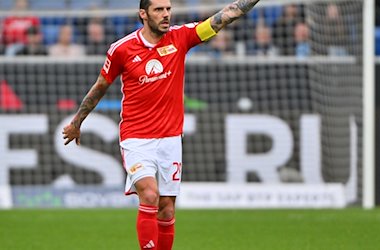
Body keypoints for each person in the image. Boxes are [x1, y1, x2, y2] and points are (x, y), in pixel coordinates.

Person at [62, 0, 260, 249]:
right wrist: (77, 122)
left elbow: (224, 17)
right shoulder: (121, 49)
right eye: (159, 10)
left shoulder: (181, 37)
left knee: (166, 209)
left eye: (168, 9)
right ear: (143, 14)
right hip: (136, 138)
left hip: (170, 138)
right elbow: (100, 86)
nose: (166, 15)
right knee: (149, 195)